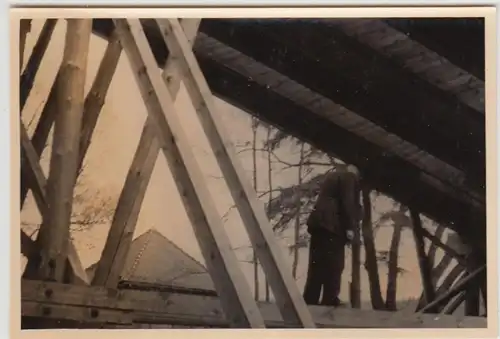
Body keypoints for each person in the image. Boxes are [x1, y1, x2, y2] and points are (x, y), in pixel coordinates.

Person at [302, 164, 361, 307]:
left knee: (316, 265)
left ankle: (310, 301)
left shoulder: (333, 176)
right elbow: (347, 202)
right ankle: (330, 300)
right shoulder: (349, 177)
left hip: (318, 224)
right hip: (332, 226)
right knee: (335, 265)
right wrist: (350, 228)